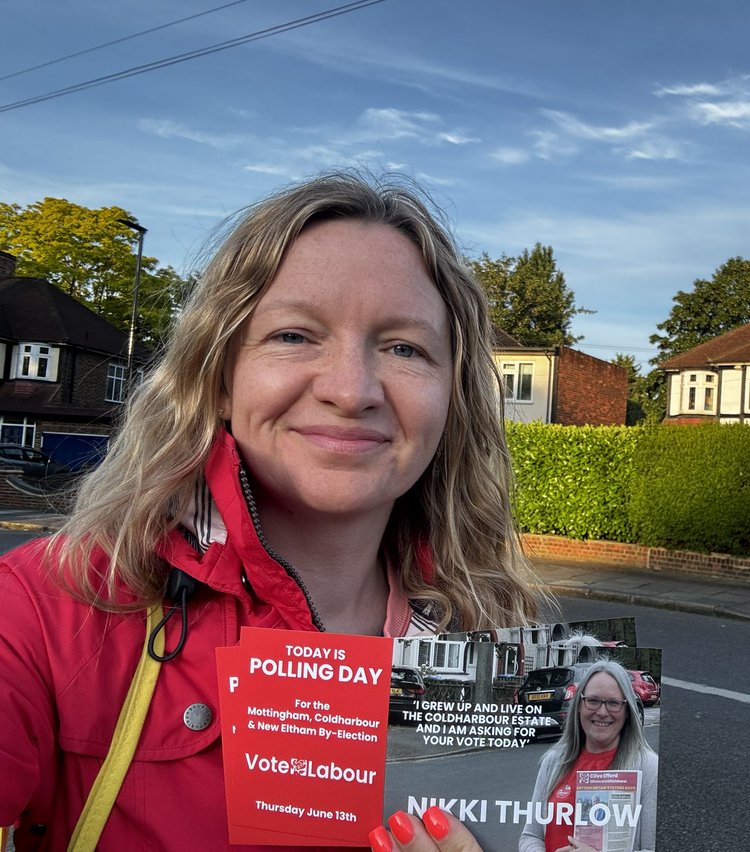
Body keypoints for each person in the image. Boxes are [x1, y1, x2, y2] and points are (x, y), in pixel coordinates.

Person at [0, 172, 539, 850]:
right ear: (219, 377)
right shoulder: (43, 611)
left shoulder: (495, 643)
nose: (351, 390)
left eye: (405, 348)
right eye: (294, 335)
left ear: (451, 400)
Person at [518, 661, 658, 852]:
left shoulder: (650, 768)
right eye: (592, 701)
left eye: (613, 703)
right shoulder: (553, 761)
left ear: (627, 711)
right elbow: (530, 837)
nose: (602, 712)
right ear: (578, 705)